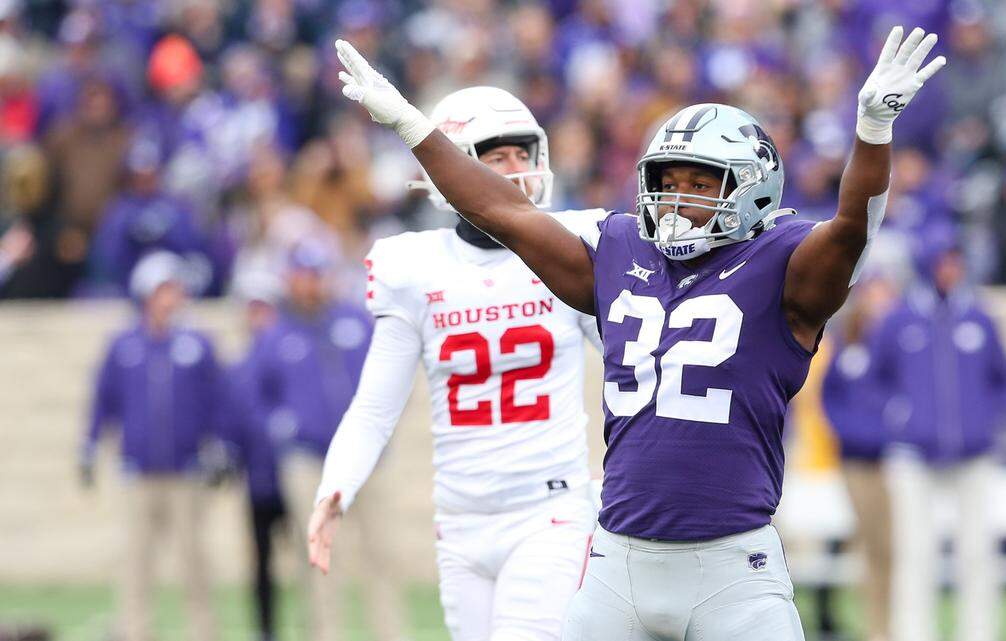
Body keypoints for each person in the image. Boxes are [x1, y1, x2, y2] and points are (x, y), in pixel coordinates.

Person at [334, 23, 945, 641]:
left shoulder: (782, 264)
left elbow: (850, 231)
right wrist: (413, 127)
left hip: (733, 570)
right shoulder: (620, 248)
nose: (677, 200)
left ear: (754, 190)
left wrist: (872, 132)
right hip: (614, 566)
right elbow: (505, 212)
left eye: (701, 184)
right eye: (668, 181)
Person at [307, 86, 605, 641]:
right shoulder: (415, 266)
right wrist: (336, 486)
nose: (515, 170)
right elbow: (375, 408)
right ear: (452, 170)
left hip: (549, 513)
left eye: (523, 153)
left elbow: (633, 367)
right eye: (496, 156)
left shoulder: (570, 246)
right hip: (460, 519)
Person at [246, 240, 400, 641]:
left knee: (380, 553)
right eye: (303, 275)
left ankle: (390, 633)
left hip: (366, 456)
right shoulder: (276, 333)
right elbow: (256, 393)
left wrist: (383, 429)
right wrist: (281, 426)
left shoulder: (355, 322)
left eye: (317, 274)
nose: (311, 283)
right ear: (290, 279)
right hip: (307, 459)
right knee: (318, 556)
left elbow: (390, 376)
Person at [869, 234, 1006, 641]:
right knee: (916, 555)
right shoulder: (900, 319)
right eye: (943, 261)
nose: (950, 270)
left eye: (956, 261)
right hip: (913, 456)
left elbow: (1003, 380)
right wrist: (897, 418)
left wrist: (987, 421)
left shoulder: (979, 318)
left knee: (977, 555)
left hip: (974, 456)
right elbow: (875, 380)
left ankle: (980, 634)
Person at [80, 250, 219, 641]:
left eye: (175, 288)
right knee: (136, 564)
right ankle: (135, 633)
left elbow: (216, 402)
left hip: (186, 472)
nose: (171, 297)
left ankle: (203, 633)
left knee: (194, 563)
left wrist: (220, 446)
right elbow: (103, 401)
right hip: (138, 471)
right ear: (146, 293)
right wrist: (89, 446)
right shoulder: (124, 345)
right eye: (163, 288)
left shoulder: (197, 344)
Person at [820, 273, 899, 641]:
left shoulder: (900, 343)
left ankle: (888, 624)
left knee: (889, 548)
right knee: (870, 544)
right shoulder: (847, 343)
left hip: (896, 459)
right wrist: (853, 433)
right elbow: (830, 399)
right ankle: (874, 626)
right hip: (858, 460)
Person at [223, 270, 287, 641]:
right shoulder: (239, 367)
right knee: (261, 563)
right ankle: (265, 630)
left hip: (296, 473)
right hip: (259, 478)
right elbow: (234, 421)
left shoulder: (293, 352)